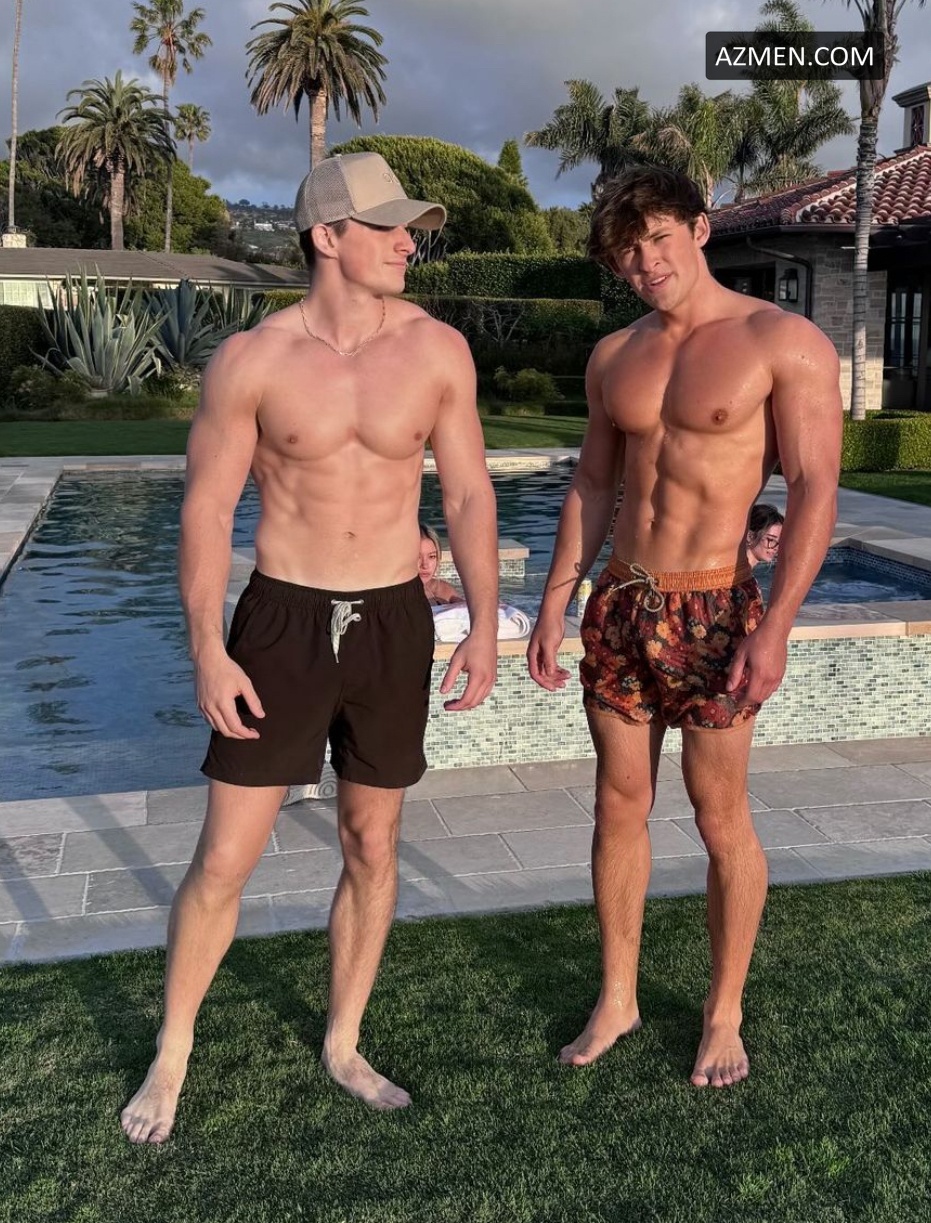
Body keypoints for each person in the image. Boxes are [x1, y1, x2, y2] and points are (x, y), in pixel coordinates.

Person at [120, 152, 499, 1143]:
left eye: (409, 227)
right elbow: (206, 514)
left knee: (372, 841)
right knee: (225, 856)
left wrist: (484, 623)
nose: (407, 242)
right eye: (386, 226)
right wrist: (207, 648)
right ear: (327, 236)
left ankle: (343, 1040)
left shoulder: (437, 351)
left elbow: (467, 494)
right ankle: (172, 1052)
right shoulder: (253, 360)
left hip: (392, 620)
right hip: (281, 621)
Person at [527, 165, 841, 1089]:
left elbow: (814, 487)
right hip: (622, 601)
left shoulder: (780, 341)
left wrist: (775, 625)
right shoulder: (613, 356)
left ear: (699, 229)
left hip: (714, 607)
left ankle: (722, 1011)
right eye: (627, 252)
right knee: (618, 803)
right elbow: (593, 482)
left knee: (718, 814)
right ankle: (617, 996)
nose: (645, 263)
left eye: (658, 239)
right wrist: (554, 598)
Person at [419, 522, 464, 605]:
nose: (425, 565)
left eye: (432, 556)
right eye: (418, 557)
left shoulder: (445, 592)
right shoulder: (394, 595)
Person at [746, 504, 784, 570]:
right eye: (771, 540)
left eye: (780, 541)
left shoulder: (743, 571)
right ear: (750, 536)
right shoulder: (737, 573)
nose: (776, 547)